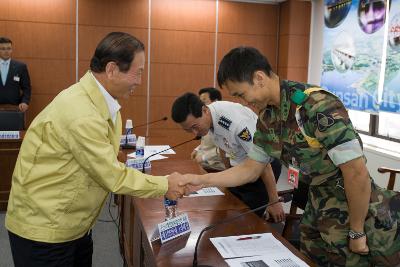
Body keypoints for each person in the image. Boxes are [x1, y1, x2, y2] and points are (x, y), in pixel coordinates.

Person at [181, 46, 400, 266]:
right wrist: (200, 180)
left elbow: (356, 172)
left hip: (354, 209)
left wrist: (357, 231)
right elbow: (250, 168)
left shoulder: (317, 107)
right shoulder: (268, 117)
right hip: (317, 205)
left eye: (241, 94)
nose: (244, 102)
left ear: (259, 78)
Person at [5, 32, 186, 267]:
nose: (139, 81)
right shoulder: (80, 111)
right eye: (138, 72)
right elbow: (111, 176)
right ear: (111, 69)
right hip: (44, 230)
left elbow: (104, 162)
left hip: (74, 225)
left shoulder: (104, 104)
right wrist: (165, 185)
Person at [172, 92, 284, 221]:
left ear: (204, 110)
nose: (194, 133)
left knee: (249, 220)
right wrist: (226, 178)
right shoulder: (210, 119)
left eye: (195, 127)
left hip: (262, 170)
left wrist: (274, 201)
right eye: (188, 130)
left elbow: (264, 164)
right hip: (240, 169)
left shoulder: (236, 123)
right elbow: (223, 148)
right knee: (228, 209)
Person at [191, 87, 225, 171]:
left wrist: (203, 157)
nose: (200, 105)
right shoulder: (207, 118)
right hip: (206, 164)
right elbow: (211, 139)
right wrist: (197, 149)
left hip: (219, 167)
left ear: (215, 101)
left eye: (203, 101)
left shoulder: (222, 122)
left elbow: (225, 148)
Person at [0, 37, 31, 112]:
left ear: (12, 50)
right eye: (3, 49)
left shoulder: (20, 67)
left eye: (9, 48)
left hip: (14, 108)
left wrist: (25, 102)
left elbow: (26, 88)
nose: (6, 51)